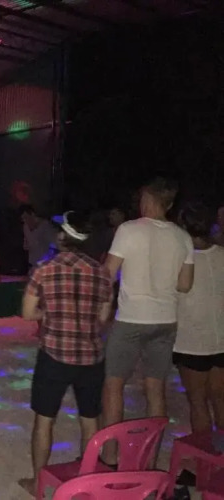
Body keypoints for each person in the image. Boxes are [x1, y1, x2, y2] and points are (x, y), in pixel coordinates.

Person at [101, 177, 194, 465]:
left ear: (148, 199)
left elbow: (108, 274)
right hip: (165, 320)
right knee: (156, 389)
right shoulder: (183, 237)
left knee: (113, 385)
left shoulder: (129, 230)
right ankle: (150, 461)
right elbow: (185, 285)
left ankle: (110, 456)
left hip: (131, 319)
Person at [19, 211, 112, 496]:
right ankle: (87, 482)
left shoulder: (44, 269)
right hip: (91, 356)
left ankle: (38, 484)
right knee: (90, 420)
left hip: (54, 355)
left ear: (63, 236)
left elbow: (27, 313)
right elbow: (103, 318)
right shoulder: (101, 272)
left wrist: (50, 312)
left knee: (44, 420)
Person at [174, 202, 224, 434]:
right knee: (220, 400)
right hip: (221, 338)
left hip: (191, 341)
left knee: (198, 402)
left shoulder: (180, 260)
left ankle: (204, 453)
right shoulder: (221, 255)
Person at [20, 205, 56, 272]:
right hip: (32, 265)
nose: (25, 221)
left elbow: (54, 246)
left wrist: (44, 261)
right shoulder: (26, 227)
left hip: (45, 267)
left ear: (32, 214)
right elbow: (27, 245)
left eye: (26, 217)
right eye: (23, 219)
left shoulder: (45, 226)